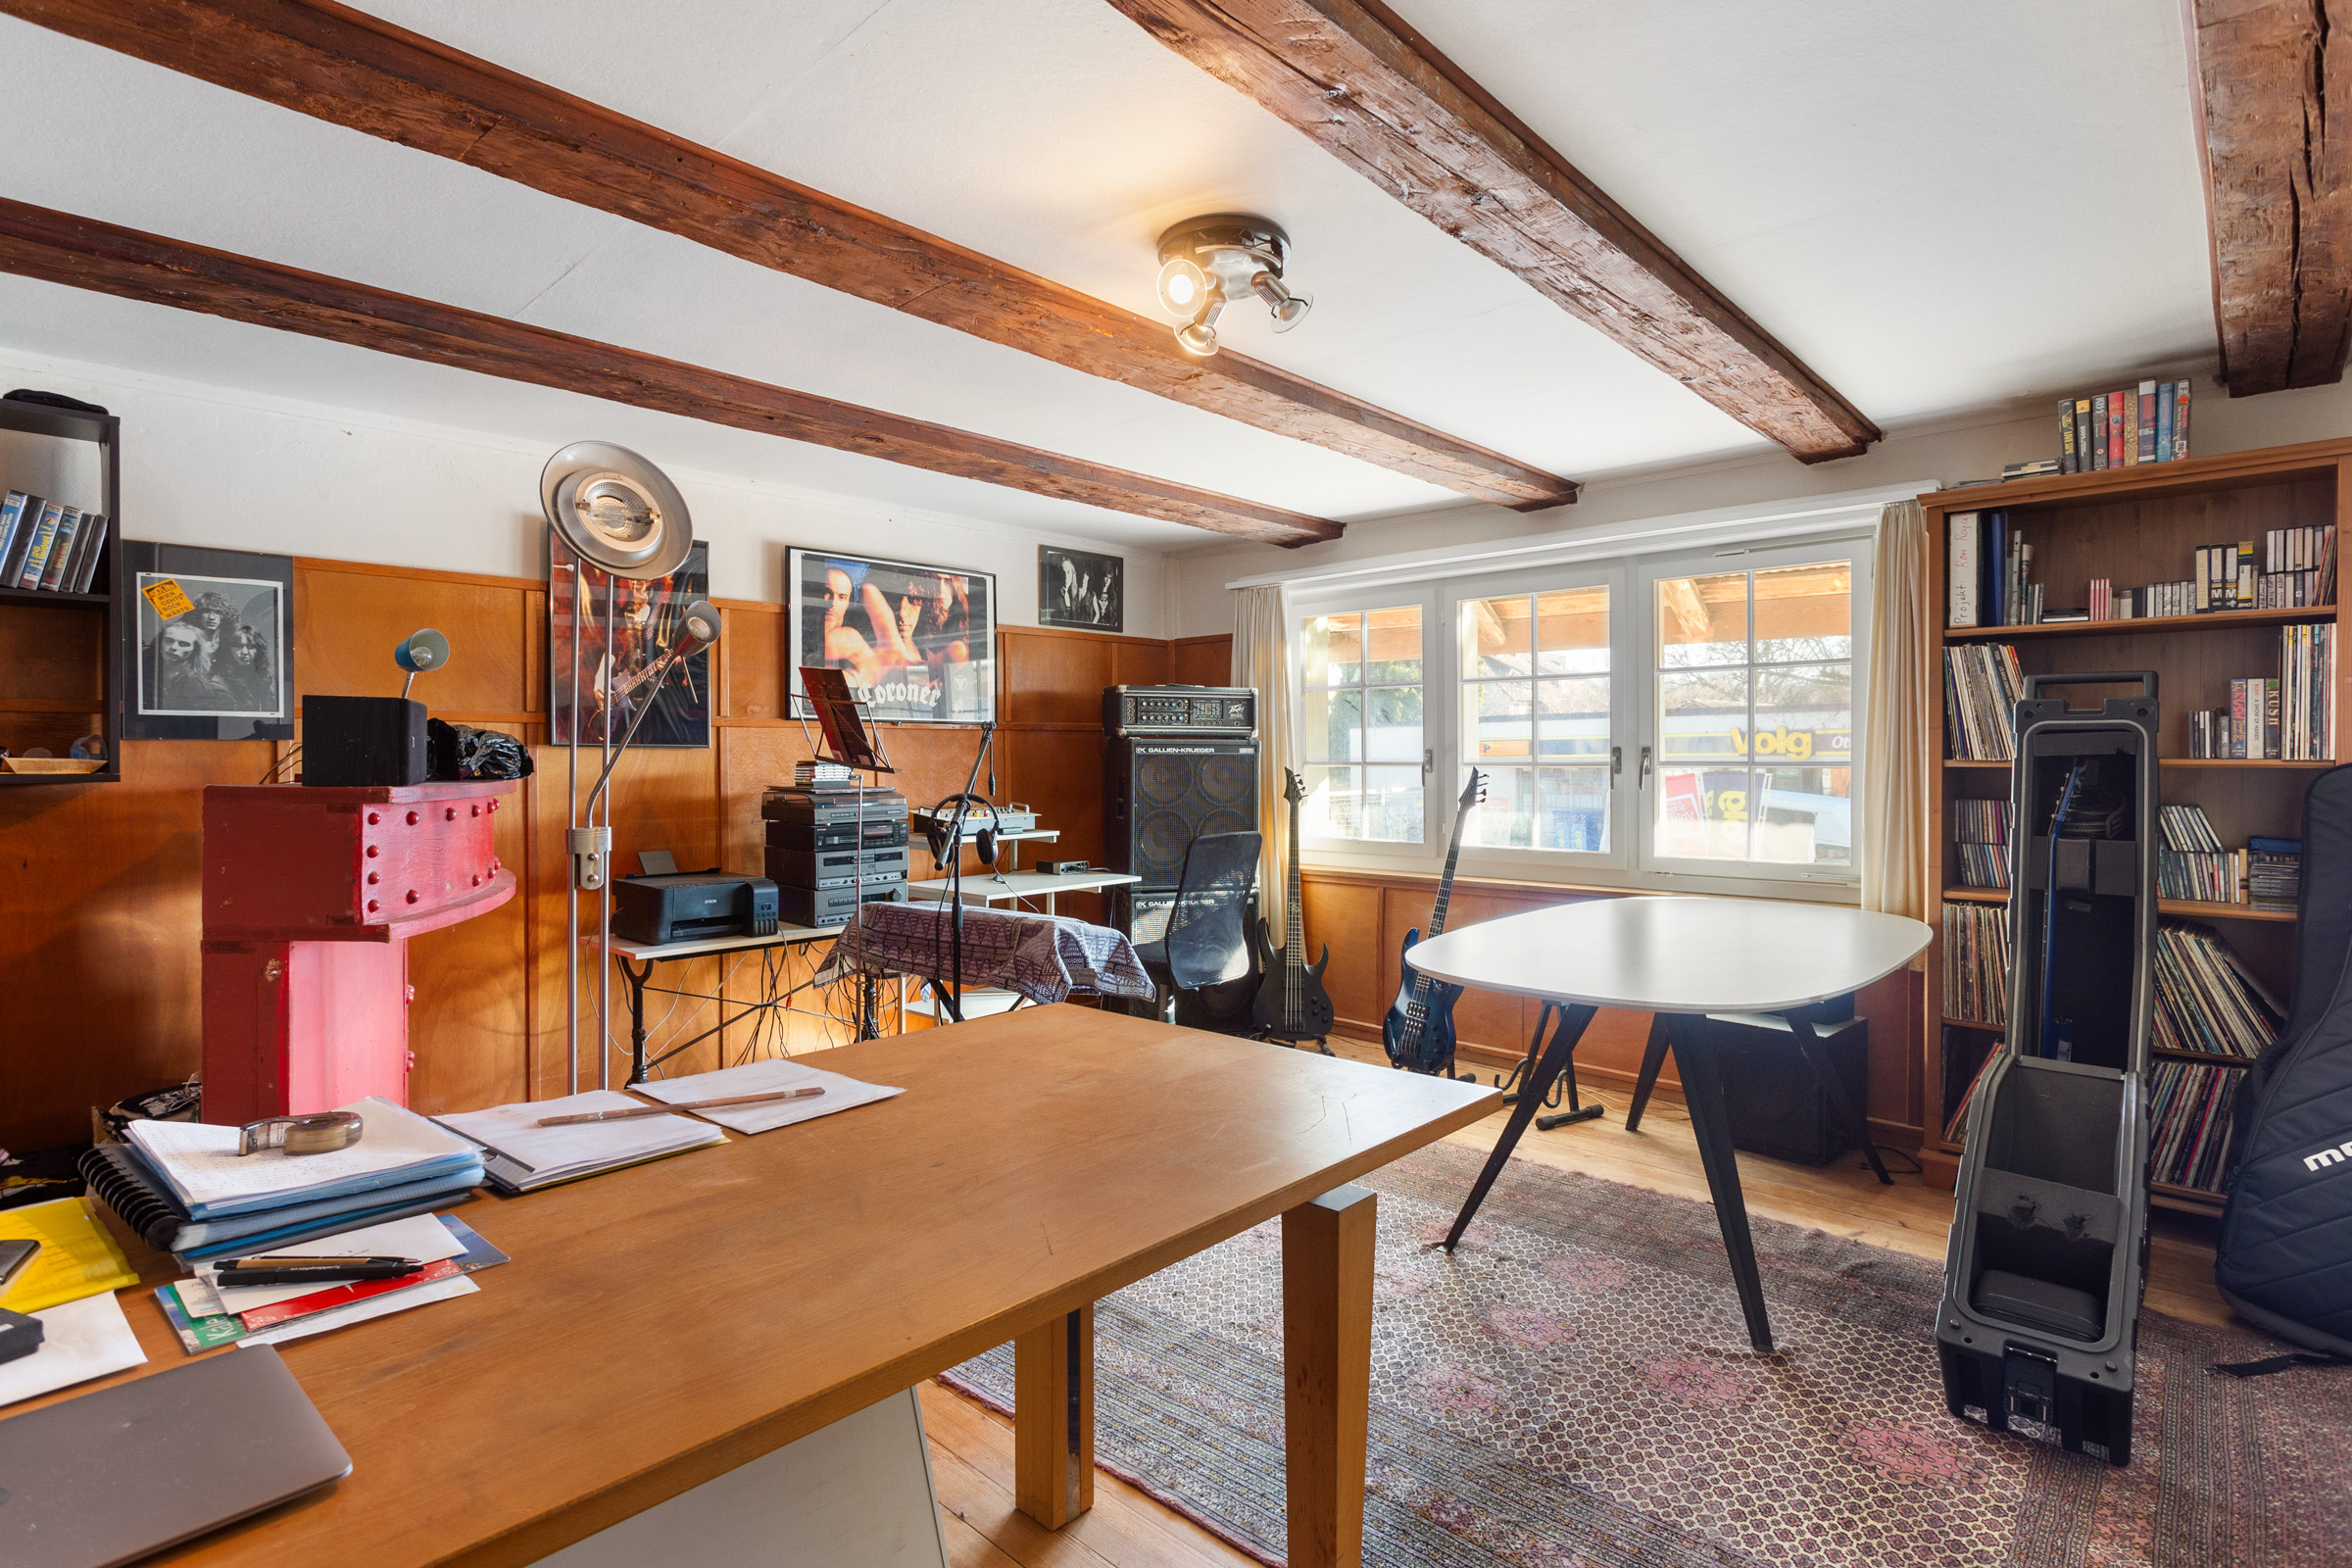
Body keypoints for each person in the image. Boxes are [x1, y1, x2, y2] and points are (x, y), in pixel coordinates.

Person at [220, 623, 274, 712]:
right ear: (228, 649)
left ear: (258, 650)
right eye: (239, 646)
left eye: (250, 647)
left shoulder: (266, 677)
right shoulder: (220, 682)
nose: (245, 652)